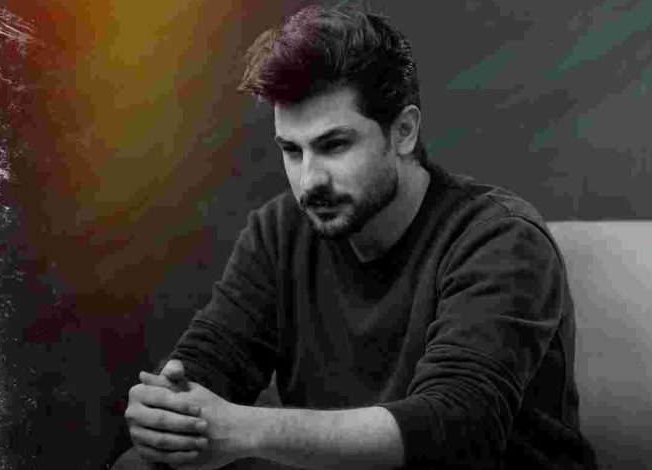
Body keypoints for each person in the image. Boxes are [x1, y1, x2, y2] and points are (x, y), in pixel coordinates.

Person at [112, 3, 599, 469]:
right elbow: (213, 357)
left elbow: (458, 427)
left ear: (403, 132)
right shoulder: (278, 232)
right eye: (292, 151)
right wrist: (167, 409)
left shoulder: (501, 239)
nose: (309, 180)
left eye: (334, 145)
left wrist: (246, 430)